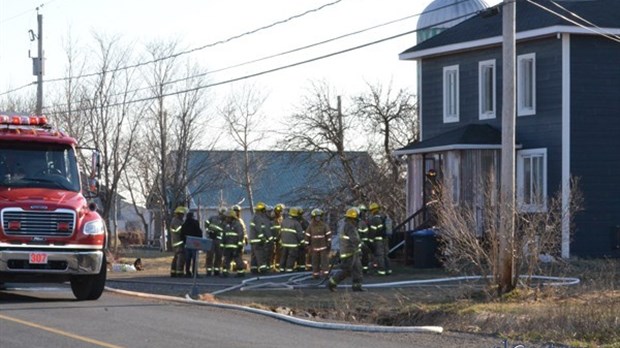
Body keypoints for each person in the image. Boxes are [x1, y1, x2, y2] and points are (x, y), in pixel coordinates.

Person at [327, 207, 364, 292]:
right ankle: (332, 283)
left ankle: (357, 286)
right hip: (349, 252)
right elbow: (355, 239)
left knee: (357, 269)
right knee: (346, 271)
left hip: (353, 251)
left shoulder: (347, 225)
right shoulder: (349, 226)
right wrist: (362, 245)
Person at [304, 208, 332, 278]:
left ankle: (325, 274)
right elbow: (307, 236)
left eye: (319, 216)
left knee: (324, 262)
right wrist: (307, 245)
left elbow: (328, 235)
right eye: (316, 217)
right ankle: (315, 274)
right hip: (314, 248)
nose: (317, 218)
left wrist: (329, 243)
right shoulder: (310, 226)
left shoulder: (324, 226)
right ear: (313, 217)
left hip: (323, 247)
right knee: (315, 262)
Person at [368, 202, 392, 276]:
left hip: (378, 240)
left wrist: (370, 241)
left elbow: (373, 231)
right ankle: (388, 270)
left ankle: (381, 271)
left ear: (372, 211)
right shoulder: (383, 217)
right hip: (385, 239)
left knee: (379, 255)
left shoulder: (374, 220)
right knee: (386, 255)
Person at [221, 208, 246, 277]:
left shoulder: (237, 224)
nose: (226, 218)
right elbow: (223, 235)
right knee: (226, 260)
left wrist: (239, 245)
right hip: (227, 246)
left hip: (235, 246)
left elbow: (241, 235)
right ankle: (225, 273)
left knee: (237, 259)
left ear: (231, 217)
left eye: (227, 217)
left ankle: (241, 273)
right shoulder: (226, 224)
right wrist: (222, 244)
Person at [279, 207, 304, 273]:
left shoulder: (284, 221)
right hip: (293, 244)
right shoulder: (296, 223)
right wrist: (302, 243)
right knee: (291, 256)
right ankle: (289, 269)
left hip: (284, 243)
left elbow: (281, 232)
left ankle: (281, 268)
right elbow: (300, 235)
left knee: (284, 256)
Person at [249, 201, 272, 274]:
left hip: (254, 240)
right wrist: (262, 238)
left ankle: (254, 268)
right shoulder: (258, 217)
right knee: (260, 255)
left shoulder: (255, 216)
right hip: (258, 240)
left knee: (254, 255)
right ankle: (263, 269)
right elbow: (259, 229)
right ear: (262, 210)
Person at [180, 211, 203, 277]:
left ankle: (187, 272)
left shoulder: (184, 224)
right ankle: (195, 272)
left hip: (187, 243)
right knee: (195, 259)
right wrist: (199, 240)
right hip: (195, 242)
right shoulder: (195, 223)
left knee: (187, 259)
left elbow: (182, 235)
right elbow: (199, 232)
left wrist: (184, 241)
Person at [205, 207, 226, 276]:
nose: (223, 216)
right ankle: (208, 270)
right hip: (211, 239)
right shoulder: (212, 218)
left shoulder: (225, 221)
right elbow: (206, 223)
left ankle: (217, 270)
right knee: (209, 255)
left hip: (219, 240)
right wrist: (208, 231)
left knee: (219, 255)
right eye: (222, 214)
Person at [169, 206, 187, 277]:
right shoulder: (176, 221)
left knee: (176, 258)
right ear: (179, 214)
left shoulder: (178, 221)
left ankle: (174, 272)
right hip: (178, 242)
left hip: (177, 242)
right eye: (182, 214)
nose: (183, 216)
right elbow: (179, 230)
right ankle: (179, 272)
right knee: (180, 257)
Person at [357, 204, 373, 274]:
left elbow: (367, 232)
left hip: (364, 242)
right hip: (358, 242)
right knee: (358, 256)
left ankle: (364, 269)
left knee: (365, 256)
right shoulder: (358, 222)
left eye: (364, 212)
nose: (364, 213)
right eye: (362, 212)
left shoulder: (364, 222)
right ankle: (358, 270)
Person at [270, 203, 285, 271]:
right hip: (272, 238)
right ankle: (271, 266)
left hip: (279, 238)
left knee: (279, 252)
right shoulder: (271, 218)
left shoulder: (281, 218)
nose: (279, 212)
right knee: (272, 253)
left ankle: (278, 266)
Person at [294, 207, 310, 272]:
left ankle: (300, 267)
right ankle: (301, 267)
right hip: (300, 241)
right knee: (301, 255)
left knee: (299, 255)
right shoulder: (304, 221)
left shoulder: (295, 221)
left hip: (298, 241)